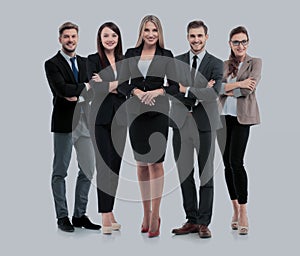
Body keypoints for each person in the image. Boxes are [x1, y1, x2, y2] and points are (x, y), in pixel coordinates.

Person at [118, 15, 178, 238]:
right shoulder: (131, 54)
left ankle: (156, 216)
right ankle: (145, 213)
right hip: (135, 114)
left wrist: (159, 91)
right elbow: (123, 83)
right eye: (146, 30)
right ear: (141, 32)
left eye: (154, 30)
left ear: (159, 32)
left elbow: (175, 87)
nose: (150, 34)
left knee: (156, 164)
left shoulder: (167, 55)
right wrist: (136, 91)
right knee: (142, 165)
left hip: (158, 113)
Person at [45, 22, 101, 232]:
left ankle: (79, 215)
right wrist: (84, 87)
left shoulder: (86, 63)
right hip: (64, 124)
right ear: (60, 39)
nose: (70, 40)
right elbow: (61, 89)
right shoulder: (51, 63)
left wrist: (79, 92)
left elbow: (93, 93)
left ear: (78, 38)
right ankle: (62, 217)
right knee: (60, 171)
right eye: (66, 36)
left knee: (87, 169)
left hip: (84, 123)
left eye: (73, 36)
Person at [170, 20, 223, 238]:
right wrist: (199, 90)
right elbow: (172, 90)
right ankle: (191, 220)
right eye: (192, 36)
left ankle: (204, 223)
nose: (196, 40)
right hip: (181, 124)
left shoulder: (216, 63)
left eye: (200, 36)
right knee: (185, 174)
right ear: (187, 37)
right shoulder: (177, 61)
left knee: (206, 174)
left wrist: (188, 89)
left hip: (205, 125)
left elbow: (214, 94)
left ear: (206, 37)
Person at [216, 26, 262, 235]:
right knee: (226, 164)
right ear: (230, 44)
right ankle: (234, 209)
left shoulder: (256, 63)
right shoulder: (224, 65)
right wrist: (234, 85)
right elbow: (216, 89)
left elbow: (247, 90)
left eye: (243, 41)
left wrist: (231, 87)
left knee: (237, 162)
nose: (240, 45)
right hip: (223, 118)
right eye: (236, 42)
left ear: (248, 42)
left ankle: (244, 211)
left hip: (242, 119)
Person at [86, 22, 127, 235]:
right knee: (104, 165)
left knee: (116, 166)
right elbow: (96, 88)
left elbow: (129, 85)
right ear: (100, 39)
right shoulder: (92, 60)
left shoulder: (124, 61)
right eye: (105, 35)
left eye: (113, 35)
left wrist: (109, 83)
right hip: (100, 119)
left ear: (118, 38)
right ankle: (104, 216)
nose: (110, 39)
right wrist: (116, 83)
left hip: (121, 118)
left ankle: (110, 212)